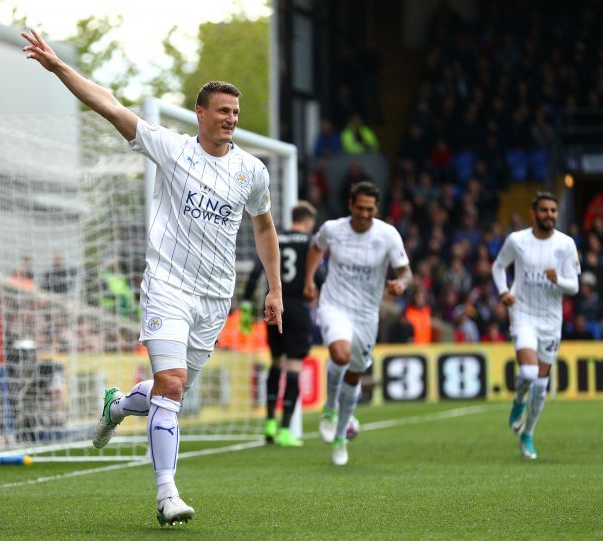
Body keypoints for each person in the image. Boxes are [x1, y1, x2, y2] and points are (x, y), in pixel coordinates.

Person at [22, 29, 283, 526]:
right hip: (167, 284)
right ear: (201, 113)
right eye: (222, 111)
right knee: (170, 382)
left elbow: (264, 226)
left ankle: (118, 405)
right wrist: (59, 68)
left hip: (214, 296)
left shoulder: (252, 171)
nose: (230, 119)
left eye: (235, 112)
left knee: (172, 391)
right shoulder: (171, 148)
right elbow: (109, 104)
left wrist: (275, 288)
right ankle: (168, 495)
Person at [303, 181, 411, 466]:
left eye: (370, 209)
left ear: (376, 209)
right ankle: (329, 408)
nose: (365, 213)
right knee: (340, 354)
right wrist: (309, 281)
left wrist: (401, 284)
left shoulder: (387, 235)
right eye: (360, 208)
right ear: (351, 205)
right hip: (334, 305)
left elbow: (406, 273)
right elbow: (316, 248)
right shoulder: (333, 229)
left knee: (354, 375)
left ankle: (340, 438)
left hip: (366, 315)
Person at [492, 192, 580, 460]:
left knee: (541, 386)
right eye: (544, 210)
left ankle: (527, 434)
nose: (550, 215)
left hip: (551, 320)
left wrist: (559, 281)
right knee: (529, 373)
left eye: (553, 211)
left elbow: (574, 286)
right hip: (523, 313)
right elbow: (498, 267)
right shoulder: (517, 241)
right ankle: (519, 401)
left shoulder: (566, 244)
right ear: (534, 213)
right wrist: (503, 291)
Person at [243, 201, 317, 447]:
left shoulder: (276, 237)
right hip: (296, 308)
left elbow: (255, 272)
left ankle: (269, 424)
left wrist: (245, 303)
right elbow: (320, 275)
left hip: (273, 306)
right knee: (294, 366)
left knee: (276, 362)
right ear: (307, 222)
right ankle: (286, 430)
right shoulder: (309, 243)